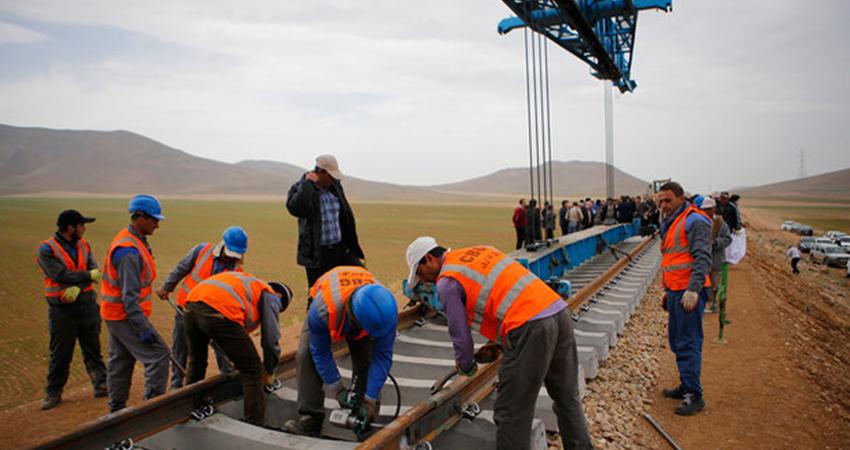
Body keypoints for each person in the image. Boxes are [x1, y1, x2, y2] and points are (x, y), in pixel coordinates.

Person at [404, 237, 592, 450]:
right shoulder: (479, 250)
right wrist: (500, 342)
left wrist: (465, 365)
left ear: (429, 259)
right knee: (567, 397)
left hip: (529, 327)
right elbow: (502, 292)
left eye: (420, 274)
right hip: (558, 312)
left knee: (511, 412)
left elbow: (460, 334)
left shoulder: (447, 281)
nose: (424, 281)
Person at [283, 266, 398, 438]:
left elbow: (382, 357)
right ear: (355, 320)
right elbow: (320, 352)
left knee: (364, 359)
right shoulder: (323, 309)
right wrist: (337, 389)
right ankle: (310, 419)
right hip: (328, 302)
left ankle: (365, 419)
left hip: (360, 310)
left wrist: (370, 399)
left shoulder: (385, 311)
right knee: (306, 355)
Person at [183, 271, 292, 426]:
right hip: (218, 312)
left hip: (191, 307)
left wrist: (235, 356)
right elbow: (270, 340)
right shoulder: (271, 295)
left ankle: (193, 406)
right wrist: (269, 371)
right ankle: (255, 423)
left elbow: (226, 338)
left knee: (197, 362)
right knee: (253, 370)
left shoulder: (248, 284)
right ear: (281, 298)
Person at [155, 226, 248, 389]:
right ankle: (176, 386)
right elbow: (181, 268)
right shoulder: (202, 250)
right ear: (223, 245)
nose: (232, 258)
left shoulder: (237, 269)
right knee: (181, 349)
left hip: (212, 317)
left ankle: (228, 381)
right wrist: (167, 287)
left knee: (220, 349)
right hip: (186, 310)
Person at [101, 195, 170, 413]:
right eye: (154, 220)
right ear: (139, 217)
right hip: (125, 315)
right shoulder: (129, 252)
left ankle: (116, 411)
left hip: (116, 314)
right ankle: (152, 412)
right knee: (159, 355)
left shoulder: (133, 242)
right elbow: (129, 297)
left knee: (120, 360)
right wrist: (142, 329)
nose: (157, 225)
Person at [36, 209, 107, 410]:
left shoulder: (84, 244)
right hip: (62, 309)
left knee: (93, 348)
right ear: (71, 227)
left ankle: (101, 383)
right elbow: (59, 274)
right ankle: (53, 392)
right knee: (61, 352)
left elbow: (95, 272)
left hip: (86, 304)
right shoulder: (47, 249)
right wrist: (85, 277)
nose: (84, 229)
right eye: (82, 225)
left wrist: (79, 284)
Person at [657, 182, 712, 416]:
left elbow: (703, 258)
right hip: (676, 291)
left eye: (668, 200)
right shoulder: (672, 221)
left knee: (688, 342)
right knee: (677, 340)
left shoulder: (694, 220)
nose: (663, 205)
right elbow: (673, 260)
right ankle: (685, 385)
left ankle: (694, 395)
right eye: (660, 201)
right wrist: (668, 291)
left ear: (681, 198)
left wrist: (693, 289)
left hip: (688, 292)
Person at [286, 155, 365, 288]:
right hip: (317, 254)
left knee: (361, 277)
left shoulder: (335, 186)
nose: (334, 179)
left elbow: (345, 215)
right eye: (331, 175)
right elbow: (297, 209)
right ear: (321, 172)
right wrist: (307, 184)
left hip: (340, 249)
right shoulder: (300, 188)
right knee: (317, 292)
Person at [700, 198, 732, 312]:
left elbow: (727, 239)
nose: (707, 211)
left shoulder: (720, 223)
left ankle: (713, 303)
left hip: (716, 259)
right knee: (702, 282)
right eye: (704, 209)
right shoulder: (699, 222)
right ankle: (704, 303)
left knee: (715, 283)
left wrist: (716, 243)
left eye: (709, 209)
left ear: (714, 209)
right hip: (702, 259)